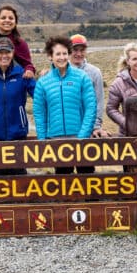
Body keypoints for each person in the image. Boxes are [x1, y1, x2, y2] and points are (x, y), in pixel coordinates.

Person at [33, 36, 97, 174]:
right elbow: (39, 113)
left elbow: (91, 108)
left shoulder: (82, 77)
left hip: (80, 138)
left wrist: (83, 136)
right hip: (56, 140)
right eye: (58, 54)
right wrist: (43, 140)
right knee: (64, 184)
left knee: (87, 181)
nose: (62, 57)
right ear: (50, 56)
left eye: (64, 53)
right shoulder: (43, 83)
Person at [0, 37, 35, 174]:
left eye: (7, 52)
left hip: (18, 135)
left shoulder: (22, 74)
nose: (4, 56)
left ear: (13, 52)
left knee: (19, 178)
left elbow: (39, 96)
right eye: (0, 52)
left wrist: (43, 78)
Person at [69, 34, 110, 138]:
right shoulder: (61, 71)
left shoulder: (95, 72)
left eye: (82, 50)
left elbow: (99, 100)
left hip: (89, 128)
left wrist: (96, 126)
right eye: (75, 50)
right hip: (68, 127)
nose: (79, 53)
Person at [0, 5, 36, 77]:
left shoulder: (20, 43)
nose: (7, 20)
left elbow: (28, 64)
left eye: (11, 18)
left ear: (15, 22)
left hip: (11, 84)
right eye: (3, 18)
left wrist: (29, 70)